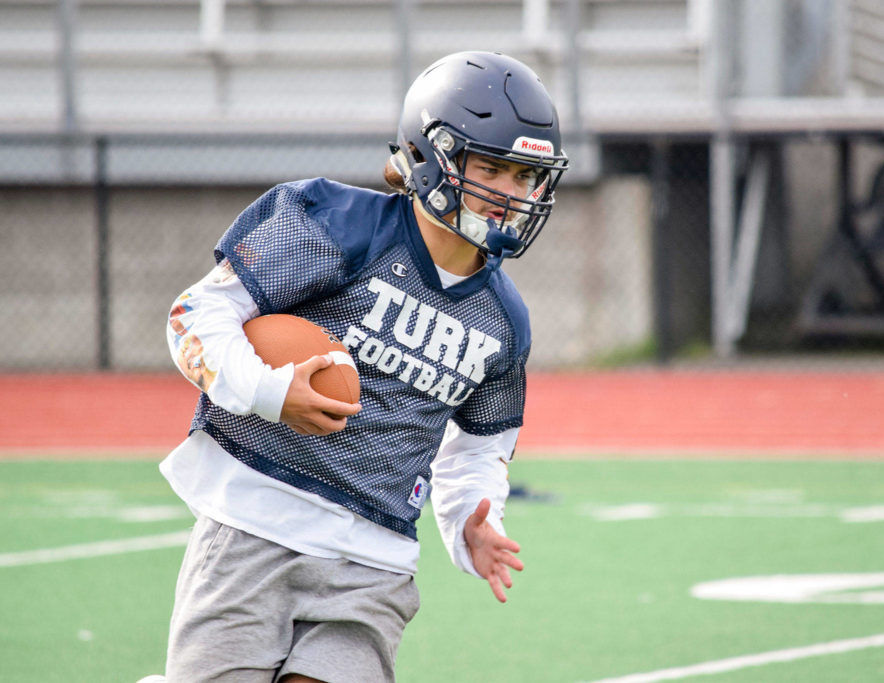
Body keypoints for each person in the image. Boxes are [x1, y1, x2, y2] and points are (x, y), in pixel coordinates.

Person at [143, 50, 569, 683]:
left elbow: (478, 450)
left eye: (525, 175)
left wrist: (472, 521)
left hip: (373, 556)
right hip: (254, 522)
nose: (511, 194)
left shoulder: (504, 317)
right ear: (431, 156)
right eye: (494, 168)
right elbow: (195, 315)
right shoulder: (334, 226)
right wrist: (268, 390)